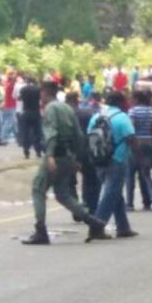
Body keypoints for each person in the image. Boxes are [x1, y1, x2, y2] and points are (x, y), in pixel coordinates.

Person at [23, 81, 107, 245]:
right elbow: (79, 135)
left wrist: (50, 155)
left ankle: (40, 230)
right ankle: (93, 221)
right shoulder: (67, 108)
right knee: (62, 194)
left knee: (38, 188)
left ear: (45, 92)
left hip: (56, 154)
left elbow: (52, 133)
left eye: (41, 94)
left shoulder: (50, 108)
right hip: (68, 156)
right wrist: (76, 157)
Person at [87, 91, 139, 241]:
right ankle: (96, 227)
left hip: (99, 159)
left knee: (115, 192)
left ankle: (123, 227)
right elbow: (131, 138)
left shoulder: (96, 116)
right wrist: (139, 157)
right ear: (121, 102)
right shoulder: (122, 117)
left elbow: (89, 135)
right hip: (117, 159)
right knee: (111, 194)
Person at [127, 88, 152, 211]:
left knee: (130, 174)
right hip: (149, 142)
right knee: (146, 173)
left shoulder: (132, 111)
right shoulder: (151, 111)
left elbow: (131, 127)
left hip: (136, 143)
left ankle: (129, 203)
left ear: (136, 99)